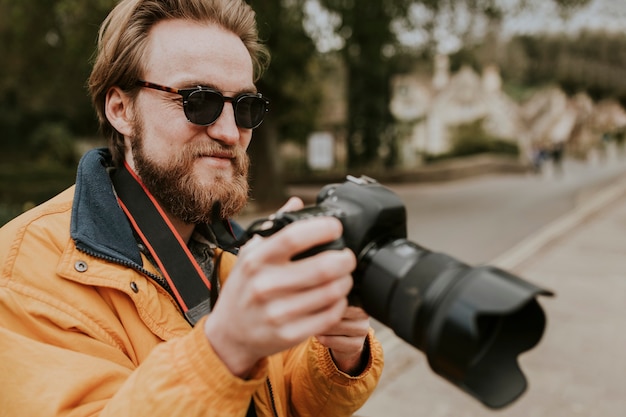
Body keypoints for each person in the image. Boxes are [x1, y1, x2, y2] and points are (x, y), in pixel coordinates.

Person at [0, 0, 384, 416]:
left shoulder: (232, 248)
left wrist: (340, 355)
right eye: (198, 101)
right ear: (121, 110)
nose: (228, 132)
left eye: (245, 107)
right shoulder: (20, 275)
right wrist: (226, 351)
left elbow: (283, 399)